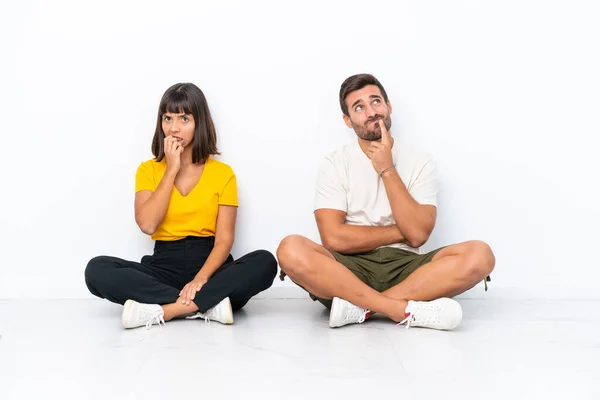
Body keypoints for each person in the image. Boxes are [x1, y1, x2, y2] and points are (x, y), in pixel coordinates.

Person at [276, 73, 495, 330]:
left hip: (409, 269)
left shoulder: (420, 161)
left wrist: (387, 169)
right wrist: (401, 231)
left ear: (389, 106)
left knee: (480, 255)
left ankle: (360, 308)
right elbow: (334, 239)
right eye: (359, 107)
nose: (371, 112)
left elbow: (419, 237)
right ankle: (398, 309)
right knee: (290, 248)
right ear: (347, 120)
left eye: (376, 102)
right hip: (349, 270)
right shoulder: (334, 163)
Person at [85, 83, 277, 329]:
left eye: (184, 118)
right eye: (167, 118)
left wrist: (200, 280)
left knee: (264, 261)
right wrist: (172, 168)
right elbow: (147, 224)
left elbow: (224, 241)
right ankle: (209, 304)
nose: (173, 128)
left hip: (210, 269)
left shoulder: (223, 173)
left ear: (200, 123)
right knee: (97, 269)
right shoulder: (148, 170)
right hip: (164, 267)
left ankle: (168, 310)